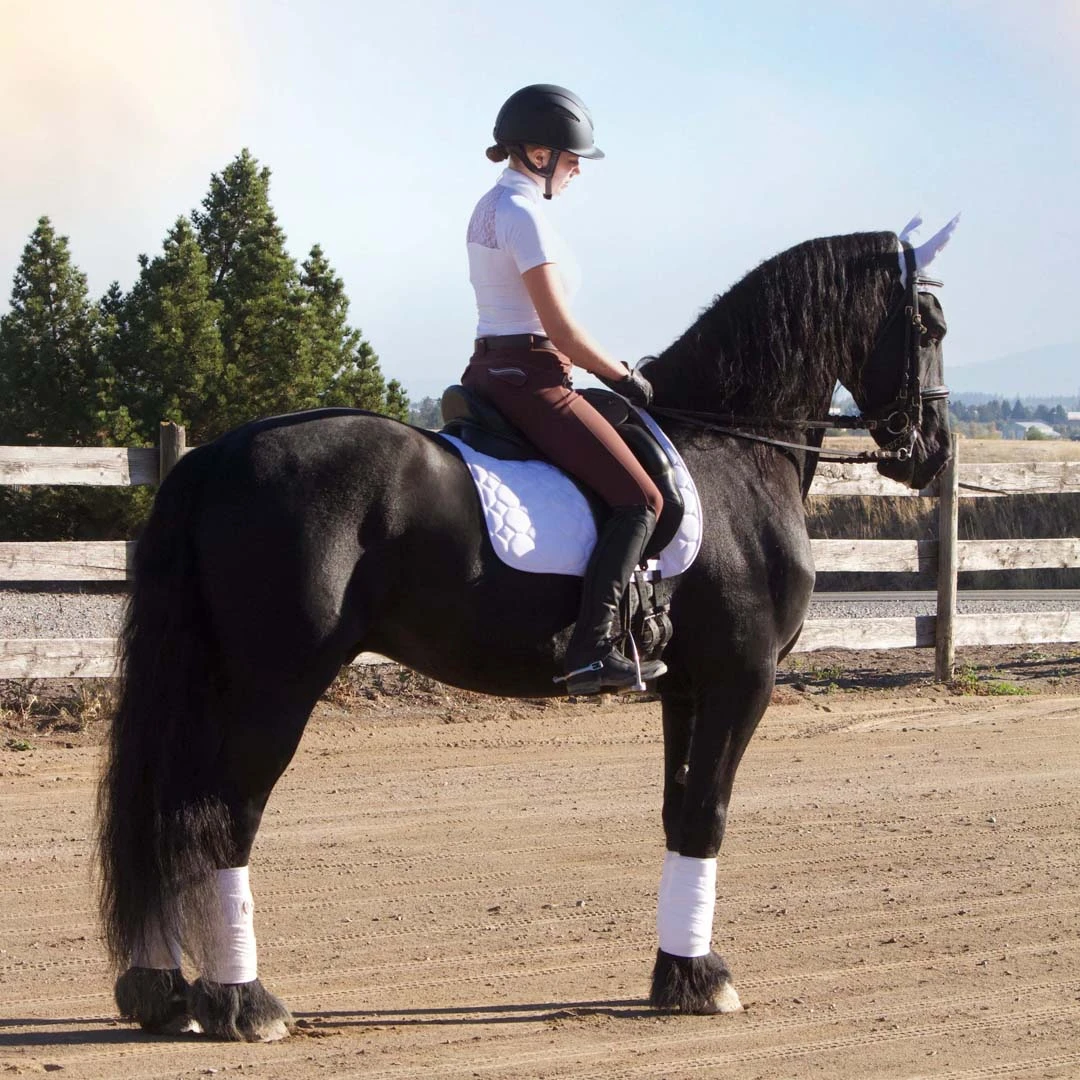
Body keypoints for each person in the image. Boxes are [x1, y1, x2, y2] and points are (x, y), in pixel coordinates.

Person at [462, 83, 666, 695]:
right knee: (641, 500)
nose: (578, 167)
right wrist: (623, 375)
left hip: (489, 369)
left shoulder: (492, 206)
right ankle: (590, 650)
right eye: (571, 156)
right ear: (537, 154)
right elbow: (560, 329)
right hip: (533, 379)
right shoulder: (524, 216)